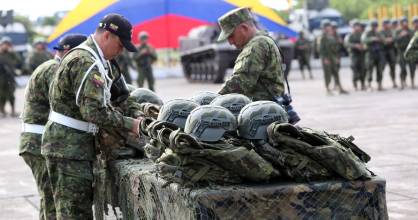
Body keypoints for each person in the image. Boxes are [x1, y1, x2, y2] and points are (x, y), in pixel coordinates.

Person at [41, 13, 142, 219]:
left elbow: (119, 95)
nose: (121, 51)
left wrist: (135, 113)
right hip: (68, 150)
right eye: (120, 45)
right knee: (74, 214)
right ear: (107, 35)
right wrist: (130, 124)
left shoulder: (96, 60)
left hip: (74, 148)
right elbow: (94, 111)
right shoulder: (85, 61)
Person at [19, 34, 87, 220]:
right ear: (69, 51)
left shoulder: (50, 66)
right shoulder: (55, 69)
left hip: (36, 141)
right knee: (51, 199)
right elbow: (65, 105)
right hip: (39, 142)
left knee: (48, 198)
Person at [216, 7, 285, 101]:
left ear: (244, 28)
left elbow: (241, 82)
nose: (230, 42)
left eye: (231, 36)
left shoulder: (256, 45)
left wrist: (215, 100)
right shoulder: (262, 40)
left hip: (261, 109)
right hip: (264, 105)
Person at [319, 20, 348, 95]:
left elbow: (335, 48)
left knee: (336, 73)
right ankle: (327, 89)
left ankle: (340, 88)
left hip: (333, 57)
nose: (328, 28)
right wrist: (325, 58)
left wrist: (337, 57)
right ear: (323, 28)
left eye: (329, 26)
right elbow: (320, 49)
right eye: (326, 26)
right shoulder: (322, 37)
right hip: (326, 58)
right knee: (327, 74)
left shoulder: (331, 36)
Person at [0, 37, 22, 117]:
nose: (6, 46)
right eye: (4, 44)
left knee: (11, 95)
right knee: (1, 95)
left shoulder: (11, 54)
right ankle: (2, 110)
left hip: (10, 77)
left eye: (8, 45)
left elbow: (19, 61)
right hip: (1, 77)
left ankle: (13, 110)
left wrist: (14, 52)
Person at [362, 20, 385, 90]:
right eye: (373, 26)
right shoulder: (367, 33)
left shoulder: (379, 33)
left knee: (380, 69)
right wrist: (372, 39)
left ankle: (379, 84)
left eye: (375, 26)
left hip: (378, 53)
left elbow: (384, 40)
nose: (374, 27)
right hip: (370, 53)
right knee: (370, 69)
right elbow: (363, 40)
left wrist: (380, 39)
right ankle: (369, 85)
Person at [345, 20, 366, 90]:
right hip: (354, 54)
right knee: (355, 69)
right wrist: (355, 45)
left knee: (363, 69)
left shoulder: (362, 34)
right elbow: (346, 44)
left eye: (358, 26)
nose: (357, 27)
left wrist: (363, 46)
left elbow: (366, 42)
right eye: (355, 26)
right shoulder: (350, 35)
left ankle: (363, 84)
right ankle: (355, 84)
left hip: (362, 54)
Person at [395, 17, 415, 89]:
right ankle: (402, 83)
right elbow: (395, 40)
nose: (405, 23)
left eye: (406, 22)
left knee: (412, 67)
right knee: (403, 68)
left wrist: (408, 34)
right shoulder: (398, 31)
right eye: (403, 22)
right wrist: (401, 35)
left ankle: (412, 82)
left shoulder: (411, 31)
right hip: (401, 51)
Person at [380, 19, 398, 88]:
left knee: (393, 67)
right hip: (383, 52)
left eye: (388, 23)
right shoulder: (380, 32)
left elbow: (395, 37)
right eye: (386, 23)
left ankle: (394, 82)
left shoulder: (392, 31)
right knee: (381, 68)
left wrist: (390, 39)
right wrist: (387, 40)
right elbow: (382, 39)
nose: (387, 25)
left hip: (391, 51)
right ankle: (380, 83)